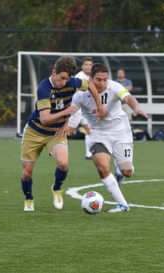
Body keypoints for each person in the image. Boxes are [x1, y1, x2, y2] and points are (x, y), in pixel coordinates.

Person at [57, 63, 148, 213]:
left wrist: (136, 108)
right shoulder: (80, 95)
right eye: (98, 79)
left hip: (121, 132)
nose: (102, 83)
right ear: (91, 79)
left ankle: (120, 169)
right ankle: (123, 205)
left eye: (105, 79)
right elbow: (71, 112)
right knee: (102, 167)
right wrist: (66, 126)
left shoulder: (114, 87)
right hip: (99, 134)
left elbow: (128, 98)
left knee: (127, 172)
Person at [20, 56, 107, 212]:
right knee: (27, 173)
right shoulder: (44, 88)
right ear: (54, 72)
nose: (64, 82)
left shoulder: (72, 82)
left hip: (56, 133)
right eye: (61, 78)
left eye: (67, 79)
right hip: (34, 132)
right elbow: (45, 119)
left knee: (63, 163)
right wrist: (66, 112)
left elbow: (91, 86)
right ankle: (29, 199)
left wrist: (99, 106)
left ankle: (57, 188)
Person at [74, 57, 94, 159]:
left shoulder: (92, 77)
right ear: (82, 66)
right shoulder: (79, 76)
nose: (88, 67)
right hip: (77, 109)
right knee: (67, 131)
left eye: (90, 65)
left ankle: (89, 153)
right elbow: (77, 93)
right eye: (86, 64)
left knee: (90, 130)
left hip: (85, 110)